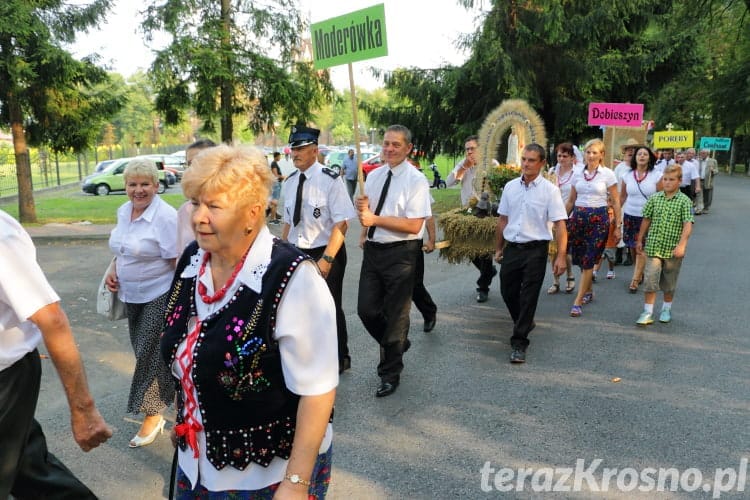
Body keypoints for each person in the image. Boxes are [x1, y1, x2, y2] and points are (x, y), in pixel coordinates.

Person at [161, 144, 337, 497]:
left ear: (252, 213)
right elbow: (188, 352)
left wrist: (296, 482)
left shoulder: (292, 277)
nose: (198, 217)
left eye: (214, 206)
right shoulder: (194, 259)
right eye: (196, 203)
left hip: (267, 476)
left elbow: (318, 391)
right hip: (194, 462)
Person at [0, 210, 112, 499]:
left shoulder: (2, 237)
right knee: (32, 474)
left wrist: (83, 409)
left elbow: (52, 319)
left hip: (5, 380)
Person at [105, 158, 177, 448]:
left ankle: (153, 413)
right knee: (145, 351)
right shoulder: (124, 211)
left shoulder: (166, 217)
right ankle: (179, 395)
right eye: (132, 184)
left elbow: (177, 261)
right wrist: (113, 269)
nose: (139, 190)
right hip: (130, 294)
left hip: (159, 292)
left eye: (145, 184)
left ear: (157, 186)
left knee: (149, 351)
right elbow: (122, 250)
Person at [356, 124, 431, 397]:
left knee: (396, 316)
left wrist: (374, 220)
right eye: (386, 143)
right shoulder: (374, 177)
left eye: (395, 145)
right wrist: (364, 223)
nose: (388, 149)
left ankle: (390, 372)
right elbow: (370, 212)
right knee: (366, 310)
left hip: (402, 253)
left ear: (408, 148)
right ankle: (397, 344)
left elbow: (413, 225)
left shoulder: (416, 180)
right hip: (374, 251)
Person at [281, 125, 356, 374]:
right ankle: (308, 355)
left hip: (325, 250)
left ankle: (339, 357)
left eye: (301, 148)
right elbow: (287, 222)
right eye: (293, 149)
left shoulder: (330, 180)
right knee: (300, 308)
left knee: (329, 306)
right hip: (297, 252)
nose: (295, 153)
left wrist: (327, 259)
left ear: (314, 150)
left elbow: (342, 223)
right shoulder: (290, 182)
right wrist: (282, 252)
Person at [494, 144, 568, 363]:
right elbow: (502, 220)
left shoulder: (550, 191)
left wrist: (561, 256)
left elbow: (560, 225)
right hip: (513, 248)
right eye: (524, 159)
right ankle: (524, 321)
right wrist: (498, 248)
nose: (526, 164)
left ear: (542, 163)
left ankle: (519, 342)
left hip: (536, 249)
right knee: (507, 291)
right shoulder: (510, 187)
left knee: (528, 296)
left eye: (531, 160)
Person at [566, 138, 621, 317]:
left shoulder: (608, 174)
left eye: (594, 152)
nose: (590, 155)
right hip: (579, 218)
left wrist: (618, 225)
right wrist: (560, 220)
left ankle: (577, 301)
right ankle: (588, 291)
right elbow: (571, 200)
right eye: (588, 152)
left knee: (590, 259)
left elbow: (616, 201)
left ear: (602, 155)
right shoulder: (577, 173)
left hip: (599, 219)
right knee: (581, 259)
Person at [634, 164, 694, 325]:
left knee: (669, 282)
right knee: (650, 279)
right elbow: (646, 219)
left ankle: (666, 308)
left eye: (671, 180)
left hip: (673, 249)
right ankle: (647, 312)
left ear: (679, 181)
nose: (667, 183)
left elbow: (688, 224)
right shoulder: (655, 198)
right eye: (665, 179)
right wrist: (640, 239)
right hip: (654, 247)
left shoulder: (684, 201)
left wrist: (682, 245)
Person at [446, 135, 498, 302]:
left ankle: (483, 287)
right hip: (468, 210)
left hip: (486, 210)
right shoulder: (463, 164)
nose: (469, 152)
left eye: (472, 148)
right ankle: (488, 272)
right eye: (467, 149)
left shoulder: (492, 164)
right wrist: (463, 168)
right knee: (467, 247)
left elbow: (498, 187)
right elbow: (448, 183)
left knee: (484, 250)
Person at [620, 145, 663, 293]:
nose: (642, 156)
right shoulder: (627, 175)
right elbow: (622, 196)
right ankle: (639, 271)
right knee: (632, 247)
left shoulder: (656, 175)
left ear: (650, 157)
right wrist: (614, 213)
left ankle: (635, 280)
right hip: (630, 215)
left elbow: (661, 197)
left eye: (645, 154)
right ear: (635, 157)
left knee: (641, 248)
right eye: (639, 154)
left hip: (648, 218)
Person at [547, 142, 580, 294]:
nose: (561, 159)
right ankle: (555, 281)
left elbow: (574, 198)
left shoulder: (577, 173)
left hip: (569, 215)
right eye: (559, 155)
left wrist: (563, 217)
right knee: (552, 249)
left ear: (572, 157)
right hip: (551, 215)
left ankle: (570, 275)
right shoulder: (552, 171)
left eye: (565, 156)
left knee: (565, 250)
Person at [177, 139, 217, 250]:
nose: (192, 170)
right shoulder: (184, 211)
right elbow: (180, 254)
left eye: (198, 162)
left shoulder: (231, 206)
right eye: (189, 164)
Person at [412, 214, 438, 332]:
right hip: (383, 243)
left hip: (411, 242)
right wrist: (364, 234)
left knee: (414, 285)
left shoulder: (420, 194)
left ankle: (429, 311)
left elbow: (428, 215)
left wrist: (431, 240)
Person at [593, 195, 618, 281]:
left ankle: (611, 270)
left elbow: (618, 223)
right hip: (602, 239)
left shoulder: (615, 213)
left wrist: (615, 221)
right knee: (600, 256)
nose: (609, 204)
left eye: (611, 202)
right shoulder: (602, 212)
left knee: (610, 258)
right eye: (608, 201)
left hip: (611, 240)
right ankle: (594, 272)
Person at [695, 148, 719, 214]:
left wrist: (713, 170)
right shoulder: (698, 161)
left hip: (708, 181)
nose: (701, 154)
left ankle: (706, 207)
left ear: (708, 154)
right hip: (699, 180)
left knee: (707, 195)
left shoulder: (713, 161)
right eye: (701, 153)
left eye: (703, 153)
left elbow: (716, 171)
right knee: (698, 194)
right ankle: (699, 208)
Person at [268, 151, 284, 224]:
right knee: (275, 202)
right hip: (276, 184)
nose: (280, 157)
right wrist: (284, 176)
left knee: (275, 201)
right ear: (276, 156)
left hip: (277, 183)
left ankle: (274, 215)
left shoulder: (274, 163)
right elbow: (275, 175)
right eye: (279, 156)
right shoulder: (274, 164)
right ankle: (272, 219)